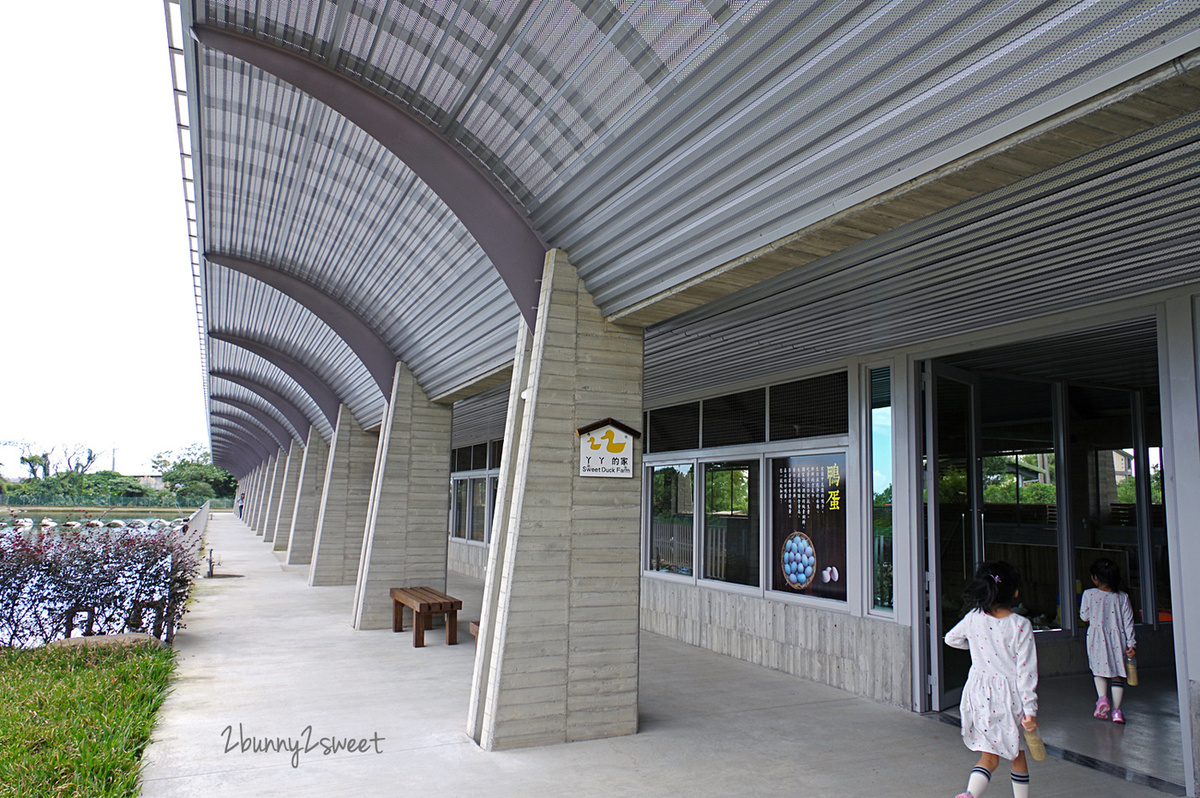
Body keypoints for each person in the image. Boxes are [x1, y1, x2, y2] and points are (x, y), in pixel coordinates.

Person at [945, 561, 1039, 798]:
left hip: (978, 694)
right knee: (1016, 754)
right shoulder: (1020, 625)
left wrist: (977, 648)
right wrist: (1030, 710)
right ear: (1015, 592)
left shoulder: (973, 617)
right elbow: (1026, 672)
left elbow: (951, 639)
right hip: (1010, 698)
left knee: (989, 756)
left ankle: (969, 794)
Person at [1080, 557, 1136, 724]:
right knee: (1117, 675)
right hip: (1118, 639)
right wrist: (1131, 644)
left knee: (1098, 671)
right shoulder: (1123, 597)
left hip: (1097, 639)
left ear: (1095, 577)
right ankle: (1117, 712)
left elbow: (1084, 616)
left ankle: (1102, 699)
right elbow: (1128, 622)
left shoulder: (1089, 594)